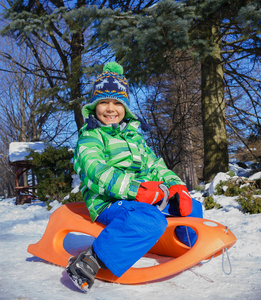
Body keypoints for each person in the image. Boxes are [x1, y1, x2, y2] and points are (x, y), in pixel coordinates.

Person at [66, 62, 203, 293]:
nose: (111, 109)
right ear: (94, 106)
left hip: (139, 199)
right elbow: (95, 171)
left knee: (192, 208)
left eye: (117, 102)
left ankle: (183, 247)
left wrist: (176, 186)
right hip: (108, 202)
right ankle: (92, 259)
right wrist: (136, 189)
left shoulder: (134, 138)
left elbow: (155, 165)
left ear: (125, 108)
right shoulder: (90, 137)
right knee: (149, 219)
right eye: (104, 102)